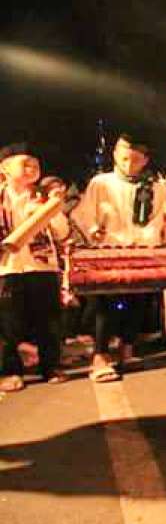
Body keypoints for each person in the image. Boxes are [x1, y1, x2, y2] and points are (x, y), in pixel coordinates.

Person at [71, 134, 166, 382]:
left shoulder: (157, 188)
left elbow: (161, 218)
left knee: (138, 300)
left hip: (141, 251)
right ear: (115, 155)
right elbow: (84, 214)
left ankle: (128, 348)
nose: (129, 164)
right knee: (106, 303)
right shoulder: (101, 183)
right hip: (108, 250)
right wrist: (93, 229)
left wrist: (146, 237)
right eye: (124, 158)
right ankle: (100, 356)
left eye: (135, 160)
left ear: (145, 160)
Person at [0, 143, 70, 392]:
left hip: (41, 267)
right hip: (6, 268)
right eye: (25, 163)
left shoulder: (45, 197)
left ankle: (51, 366)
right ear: (5, 169)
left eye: (35, 164)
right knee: (9, 324)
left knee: (48, 321)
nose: (32, 169)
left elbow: (62, 232)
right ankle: (9, 371)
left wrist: (47, 214)